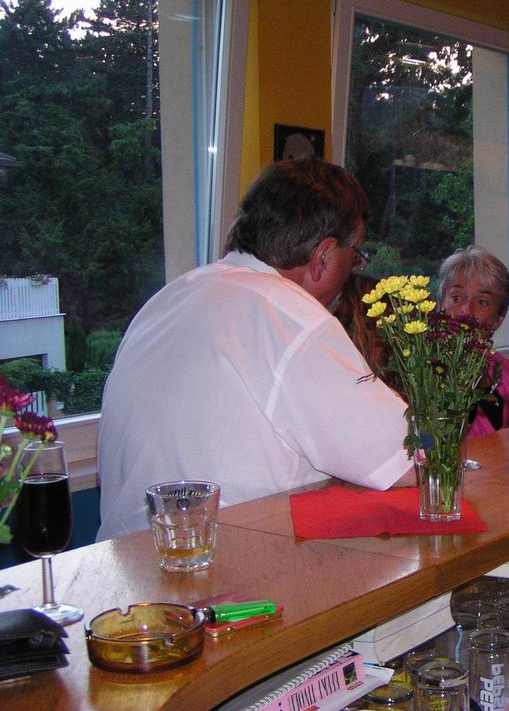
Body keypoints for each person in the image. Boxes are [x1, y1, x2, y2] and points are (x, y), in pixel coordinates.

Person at [97, 158, 415, 540]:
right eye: (356, 254)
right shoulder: (290, 317)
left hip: (124, 562)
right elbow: (412, 456)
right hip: (226, 563)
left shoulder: (167, 299)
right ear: (323, 256)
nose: (354, 268)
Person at [437, 245, 509, 439]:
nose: (466, 311)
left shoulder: (503, 370)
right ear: (441, 304)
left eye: (482, 302)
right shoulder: (420, 371)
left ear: (499, 318)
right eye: (457, 297)